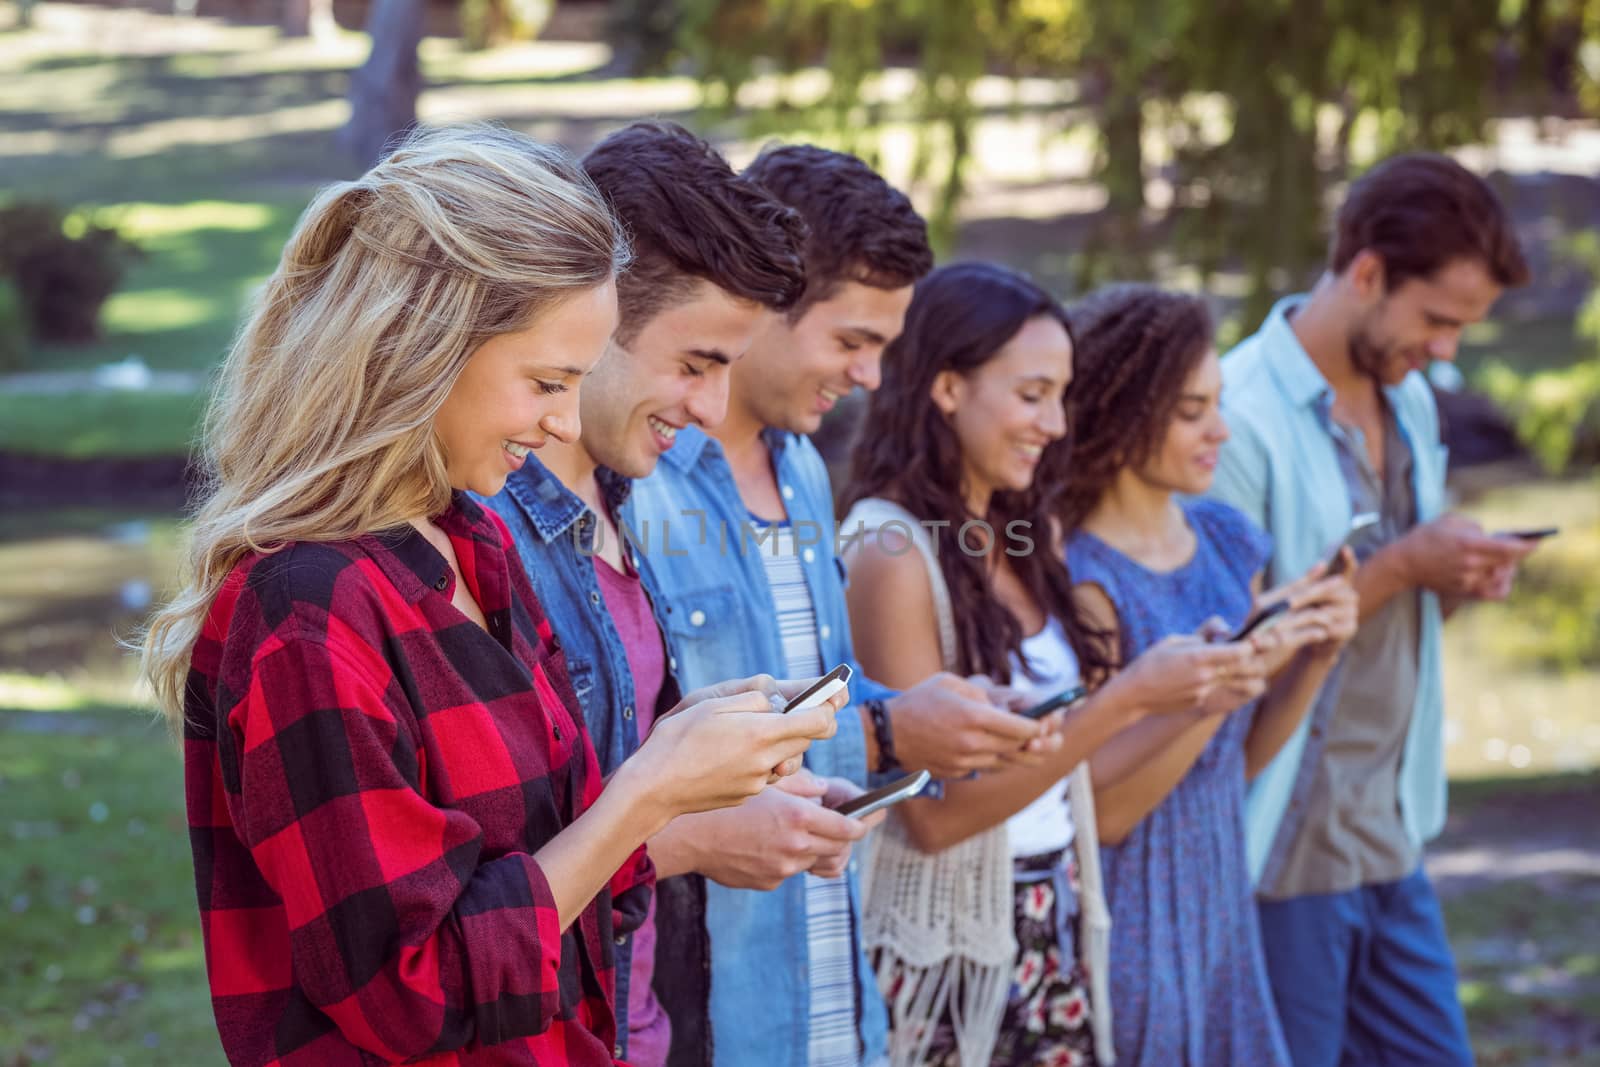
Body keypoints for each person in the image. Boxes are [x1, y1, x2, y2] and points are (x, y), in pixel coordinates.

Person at [139, 125, 838, 1067]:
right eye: (546, 381)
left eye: (576, 384)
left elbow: (557, 873)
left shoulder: (466, 543)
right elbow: (412, 996)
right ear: (423, 348)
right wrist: (645, 793)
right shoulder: (306, 609)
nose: (560, 420)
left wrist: (683, 756)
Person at [629, 146, 1057, 1067]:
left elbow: (812, 686)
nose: (869, 377)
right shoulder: (636, 480)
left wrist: (906, 715)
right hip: (702, 1016)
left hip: (834, 1008)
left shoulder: (804, 473)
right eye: (851, 341)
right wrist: (891, 734)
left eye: (883, 349)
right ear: (767, 302)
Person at [478, 120, 868, 1067]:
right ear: (597, 318)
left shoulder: (620, 494)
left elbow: (592, 771)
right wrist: (693, 832)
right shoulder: (481, 531)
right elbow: (482, 885)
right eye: (695, 365)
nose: (710, 411)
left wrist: (727, 753)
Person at [839, 261, 1272, 1067]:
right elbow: (930, 817)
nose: (1055, 422)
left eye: (1063, 395)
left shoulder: (1018, 532)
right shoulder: (888, 547)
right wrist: (1129, 697)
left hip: (1054, 921)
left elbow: (1070, 779)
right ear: (946, 388)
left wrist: (1200, 689)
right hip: (950, 962)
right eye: (1032, 394)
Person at [1208, 153, 1538, 1067]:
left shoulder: (1414, 401)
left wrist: (1454, 580)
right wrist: (1402, 565)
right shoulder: (1234, 418)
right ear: (1366, 274)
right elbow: (1229, 653)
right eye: (1436, 320)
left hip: (1391, 833)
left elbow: (1396, 611)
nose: (1446, 351)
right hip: (1284, 848)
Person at [1059, 284, 1360, 1066]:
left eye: (1218, 404)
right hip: (1133, 911)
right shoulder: (1084, 579)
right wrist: (1213, 696)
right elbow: (1107, 810)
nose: (1220, 431)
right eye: (1193, 411)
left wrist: (1314, 650)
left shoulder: (1227, 539)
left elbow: (1239, 758)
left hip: (1220, 900)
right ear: (1124, 411)